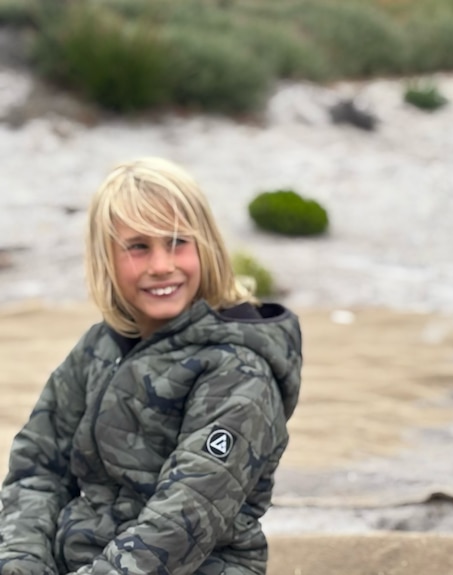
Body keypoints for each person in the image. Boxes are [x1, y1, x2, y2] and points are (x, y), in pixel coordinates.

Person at [0, 157, 302, 574]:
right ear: (106, 257)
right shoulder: (98, 348)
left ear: (206, 247)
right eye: (138, 246)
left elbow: (183, 518)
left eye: (177, 241)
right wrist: (21, 565)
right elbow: (37, 471)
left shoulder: (238, 369)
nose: (161, 265)